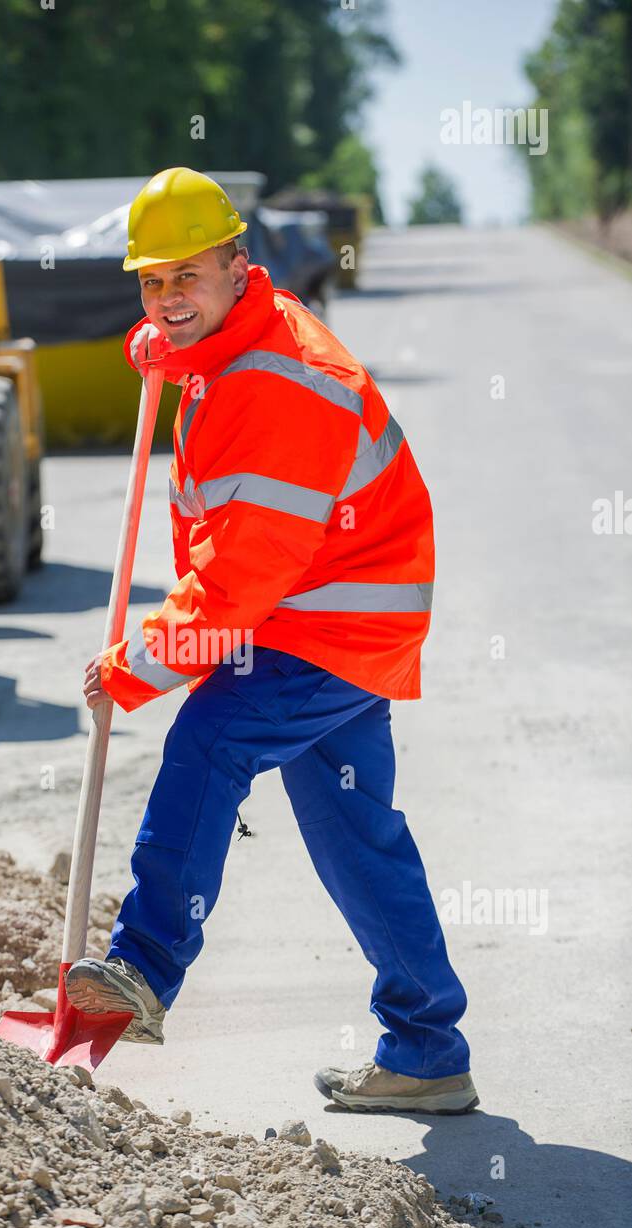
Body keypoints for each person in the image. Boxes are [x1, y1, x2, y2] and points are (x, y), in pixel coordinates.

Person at [66, 168, 477, 1115]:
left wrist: (136, 668)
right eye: (150, 282)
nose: (167, 299)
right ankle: (426, 1049)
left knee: (210, 741)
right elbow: (205, 347)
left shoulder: (279, 386)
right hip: (329, 609)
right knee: (356, 834)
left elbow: (239, 583)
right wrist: (166, 348)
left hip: (327, 617)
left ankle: (144, 967)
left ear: (236, 265)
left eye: (186, 279)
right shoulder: (240, 334)